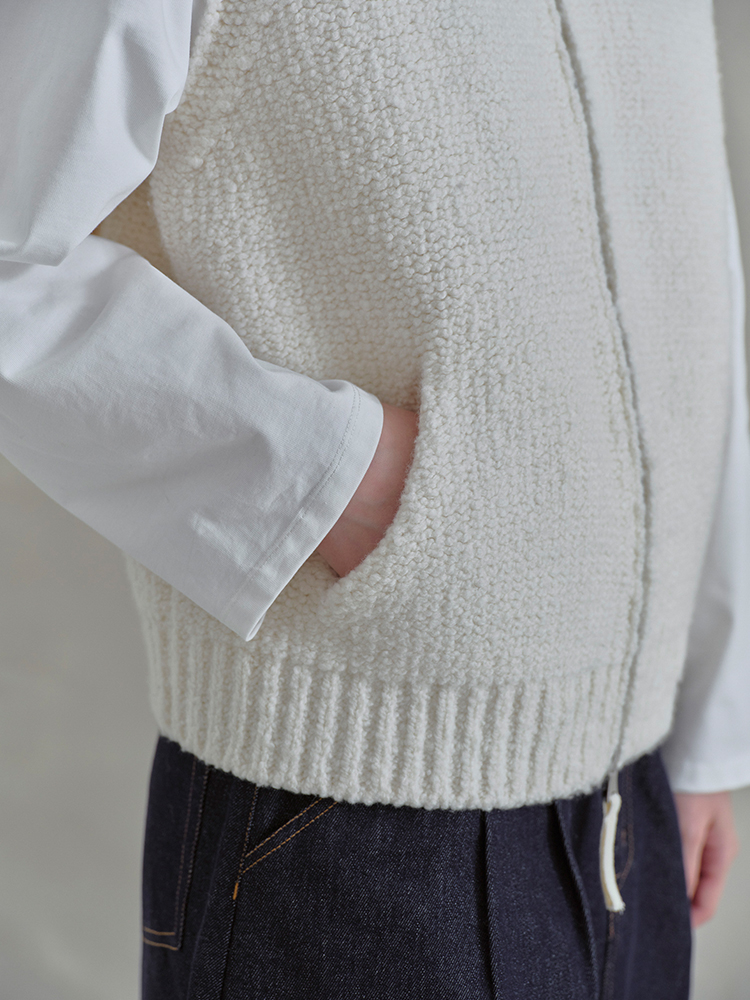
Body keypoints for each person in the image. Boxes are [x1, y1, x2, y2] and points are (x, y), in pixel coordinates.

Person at [1, 1, 748, 997]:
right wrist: (324, 478)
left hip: (634, 803)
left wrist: (703, 718)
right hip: (352, 830)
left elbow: (681, 240)